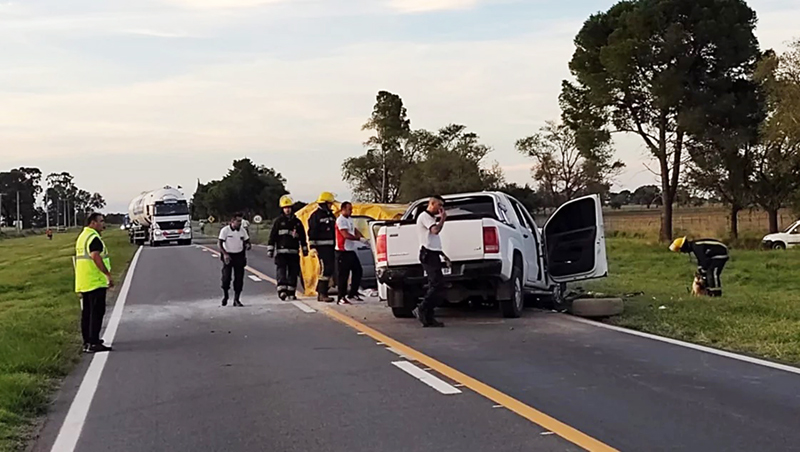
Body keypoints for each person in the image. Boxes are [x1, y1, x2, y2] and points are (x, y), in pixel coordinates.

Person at [74, 213, 113, 353]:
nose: (103, 224)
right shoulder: (94, 238)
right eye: (101, 221)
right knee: (96, 313)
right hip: (95, 280)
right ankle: (94, 342)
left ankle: (88, 341)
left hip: (84, 280)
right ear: (93, 223)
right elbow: (95, 256)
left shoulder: (82, 236)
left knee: (87, 313)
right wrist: (107, 274)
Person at [416, 195, 450, 327]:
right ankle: (422, 308)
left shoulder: (430, 218)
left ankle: (428, 316)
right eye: (439, 205)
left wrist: (444, 255)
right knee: (436, 284)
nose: (441, 208)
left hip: (433, 253)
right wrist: (443, 219)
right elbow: (435, 231)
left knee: (438, 285)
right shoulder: (425, 217)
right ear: (432, 203)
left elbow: (433, 241)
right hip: (428, 254)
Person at [267, 196, 308, 301]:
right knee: (281, 272)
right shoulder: (278, 222)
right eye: (285, 207)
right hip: (281, 252)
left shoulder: (297, 222)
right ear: (282, 208)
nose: (287, 209)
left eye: (289, 207)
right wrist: (270, 249)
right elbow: (273, 236)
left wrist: (304, 249)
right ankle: (282, 291)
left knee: (293, 272)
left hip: (294, 252)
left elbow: (302, 237)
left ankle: (291, 292)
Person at [335, 202, 366, 305]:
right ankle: (341, 297)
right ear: (343, 209)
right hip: (342, 251)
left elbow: (354, 230)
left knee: (358, 271)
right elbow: (346, 235)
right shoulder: (341, 220)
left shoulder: (349, 219)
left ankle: (353, 293)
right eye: (349, 209)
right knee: (343, 275)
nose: (351, 211)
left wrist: (363, 238)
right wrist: (358, 239)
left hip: (350, 250)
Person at [308, 191, 336, 302]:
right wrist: (312, 247)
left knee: (330, 270)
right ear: (324, 203)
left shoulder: (330, 215)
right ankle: (321, 293)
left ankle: (323, 290)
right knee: (325, 270)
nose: (331, 206)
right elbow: (312, 232)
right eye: (329, 203)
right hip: (322, 248)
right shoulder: (315, 216)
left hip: (331, 247)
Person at [219, 213, 251, 307]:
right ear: (232, 221)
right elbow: (220, 243)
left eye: (241, 221)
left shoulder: (242, 231)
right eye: (238, 221)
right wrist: (225, 254)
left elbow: (247, 241)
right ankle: (225, 295)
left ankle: (236, 299)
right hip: (228, 255)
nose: (239, 223)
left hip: (239, 256)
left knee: (239, 278)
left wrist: (248, 245)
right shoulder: (225, 230)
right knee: (226, 278)